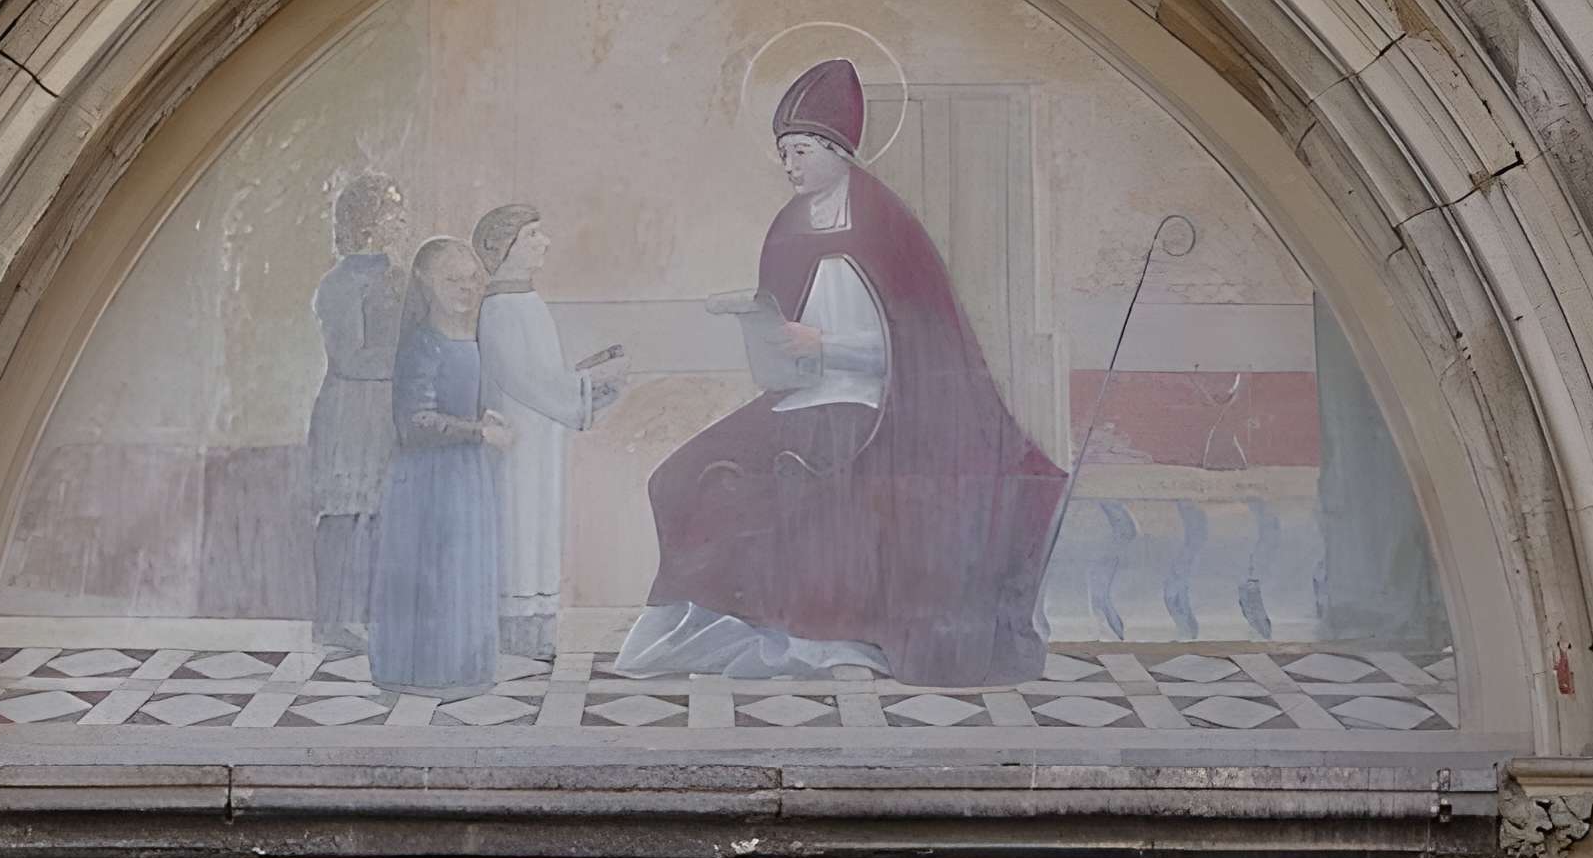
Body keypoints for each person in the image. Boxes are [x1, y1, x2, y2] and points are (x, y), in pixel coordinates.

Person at [616, 58, 1068, 686]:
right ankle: (728, 629)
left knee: (814, 491)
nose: (789, 166)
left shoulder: (887, 224)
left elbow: (920, 346)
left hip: (878, 404)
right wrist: (761, 328)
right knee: (680, 478)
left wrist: (825, 347)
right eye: (783, 153)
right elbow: (780, 343)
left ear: (836, 149)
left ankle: (825, 639)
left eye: (800, 150)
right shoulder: (789, 226)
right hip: (799, 398)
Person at [473, 204, 623, 661]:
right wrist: (584, 386)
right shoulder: (499, 308)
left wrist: (584, 382)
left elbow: (542, 375)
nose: (545, 242)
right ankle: (517, 638)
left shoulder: (527, 301)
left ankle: (538, 633)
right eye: (533, 235)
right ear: (506, 248)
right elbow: (523, 380)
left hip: (541, 438)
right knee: (520, 528)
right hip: (517, 442)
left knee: (540, 527)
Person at [369, 235, 513, 693]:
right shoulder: (422, 345)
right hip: (427, 482)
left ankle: (464, 670)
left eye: (472, 279)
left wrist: (482, 418)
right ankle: (422, 674)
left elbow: (458, 403)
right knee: (431, 572)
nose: (465, 288)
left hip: (465, 478)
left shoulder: (468, 339)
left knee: (463, 571)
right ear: (425, 283)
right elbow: (415, 421)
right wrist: (479, 432)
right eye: (452, 279)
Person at [302, 174, 407, 654]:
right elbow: (350, 357)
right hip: (350, 413)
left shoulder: (397, 278)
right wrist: (409, 358)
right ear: (365, 224)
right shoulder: (340, 285)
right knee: (342, 516)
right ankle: (329, 622)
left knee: (385, 517)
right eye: (391, 212)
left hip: (387, 410)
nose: (400, 220)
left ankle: (377, 617)